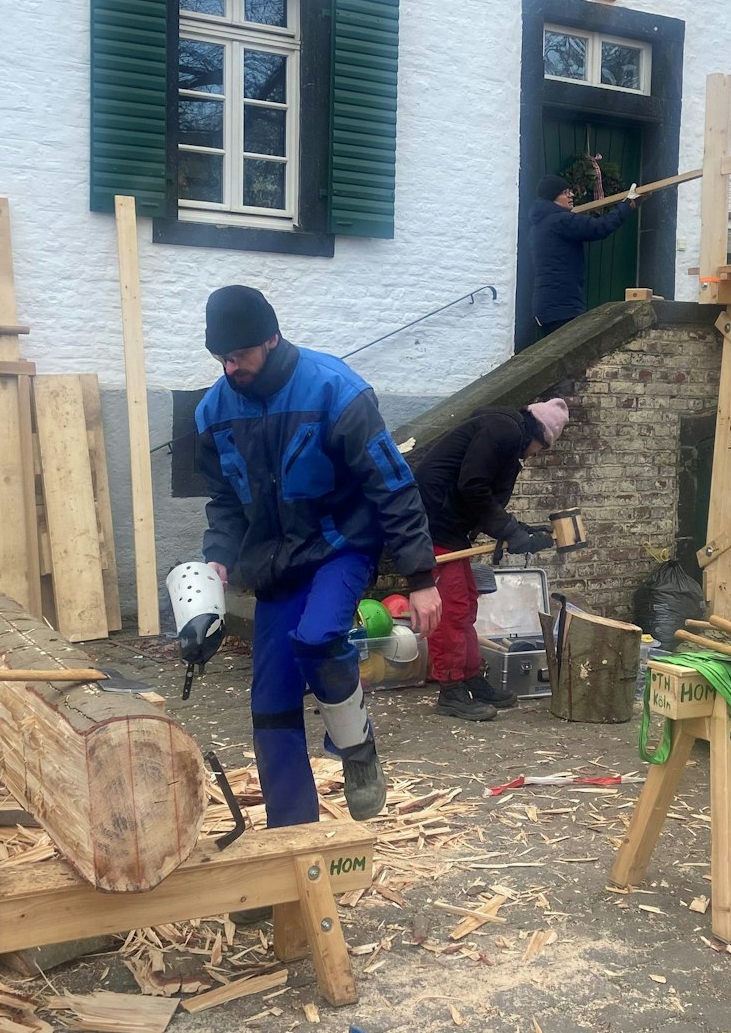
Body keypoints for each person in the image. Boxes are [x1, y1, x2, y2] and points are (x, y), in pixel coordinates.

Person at [193, 286, 440, 826]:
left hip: (339, 546)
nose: (230, 369)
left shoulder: (335, 390)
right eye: (221, 358)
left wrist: (421, 576)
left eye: (239, 356)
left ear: (271, 339)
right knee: (271, 706)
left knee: (320, 636)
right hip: (274, 564)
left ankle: (357, 749)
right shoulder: (213, 412)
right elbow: (225, 501)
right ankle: (292, 835)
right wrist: (219, 556)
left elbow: (392, 484)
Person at [413, 399, 569, 720]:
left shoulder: (504, 434)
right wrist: (509, 529)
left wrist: (520, 531)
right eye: (542, 448)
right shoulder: (504, 430)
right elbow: (473, 486)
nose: (536, 455)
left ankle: (469, 677)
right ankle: (450, 690)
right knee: (451, 608)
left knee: (467, 602)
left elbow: (479, 497)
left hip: (449, 525)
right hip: (432, 523)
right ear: (539, 435)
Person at [528, 175, 641, 337]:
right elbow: (600, 227)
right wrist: (627, 204)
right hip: (562, 308)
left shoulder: (539, 225)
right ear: (553, 197)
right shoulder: (561, 221)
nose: (571, 195)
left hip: (546, 308)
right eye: (565, 193)